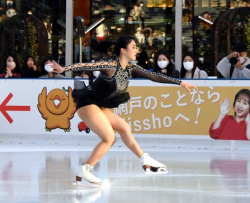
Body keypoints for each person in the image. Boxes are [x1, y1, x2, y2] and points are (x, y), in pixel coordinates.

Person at [51, 36, 198, 184]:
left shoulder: (131, 68)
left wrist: (180, 83)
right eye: (133, 47)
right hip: (87, 102)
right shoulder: (110, 66)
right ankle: (86, 168)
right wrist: (64, 69)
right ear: (123, 50)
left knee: (124, 127)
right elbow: (87, 65)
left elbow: (154, 76)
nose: (136, 50)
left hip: (99, 105)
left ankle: (144, 158)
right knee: (109, 138)